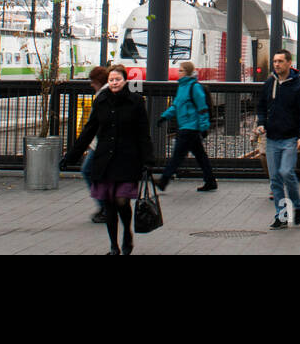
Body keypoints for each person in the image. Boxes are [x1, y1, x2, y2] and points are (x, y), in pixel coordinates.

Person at [62, 64, 153, 255]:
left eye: (117, 79)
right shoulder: (101, 100)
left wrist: (148, 159)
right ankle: (114, 246)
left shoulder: (136, 102)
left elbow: (143, 133)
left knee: (122, 200)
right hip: (105, 159)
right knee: (109, 203)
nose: (114, 83)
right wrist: (71, 156)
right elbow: (89, 130)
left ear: (125, 81)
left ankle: (127, 234)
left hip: (127, 158)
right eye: (111, 80)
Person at [256, 50, 300, 229]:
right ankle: (281, 215)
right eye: (274, 61)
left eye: (280, 61)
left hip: (290, 137)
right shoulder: (269, 83)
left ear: (289, 63)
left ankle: (297, 204)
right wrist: (261, 123)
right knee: (275, 180)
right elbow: (262, 106)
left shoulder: (298, 86)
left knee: (286, 172)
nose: (276, 65)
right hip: (272, 137)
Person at [156, 61, 217, 193]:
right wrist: (164, 116)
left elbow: (202, 108)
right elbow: (176, 105)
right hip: (187, 127)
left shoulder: (194, 87)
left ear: (187, 72)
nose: (178, 72)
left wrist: (204, 126)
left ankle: (163, 180)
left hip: (190, 127)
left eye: (181, 70)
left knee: (178, 155)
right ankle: (210, 181)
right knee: (200, 156)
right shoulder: (182, 87)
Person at [79, 66, 111, 221]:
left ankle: (105, 207)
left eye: (92, 81)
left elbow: (93, 125)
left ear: (98, 81)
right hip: (101, 143)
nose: (91, 85)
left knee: (88, 171)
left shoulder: (102, 96)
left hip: (100, 144)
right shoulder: (106, 93)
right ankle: (106, 206)